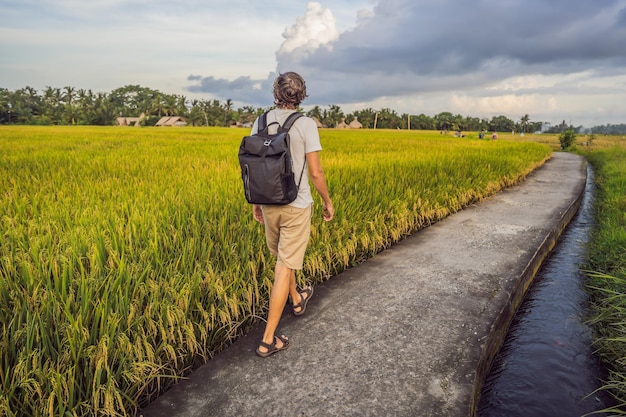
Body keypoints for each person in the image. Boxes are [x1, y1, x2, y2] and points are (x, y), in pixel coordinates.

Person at [251, 72, 334, 358]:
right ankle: (267, 340)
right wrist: (327, 201)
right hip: (296, 206)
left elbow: (254, 165)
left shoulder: (260, 121)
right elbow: (315, 171)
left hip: (268, 202)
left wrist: (256, 202)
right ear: (301, 95)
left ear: (276, 92)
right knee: (284, 267)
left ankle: (297, 300)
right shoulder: (306, 124)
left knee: (283, 260)